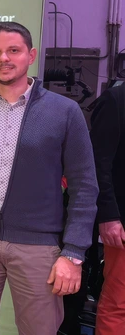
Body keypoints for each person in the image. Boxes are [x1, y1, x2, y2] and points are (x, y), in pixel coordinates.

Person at [0, 21, 98, 335]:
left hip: (38, 246)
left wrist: (73, 253)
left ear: (31, 55)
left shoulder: (65, 111)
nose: (4, 58)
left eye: (13, 50)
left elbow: (83, 186)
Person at [90, 83, 125, 334]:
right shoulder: (116, 100)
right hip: (122, 224)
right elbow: (98, 164)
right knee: (118, 302)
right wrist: (109, 215)